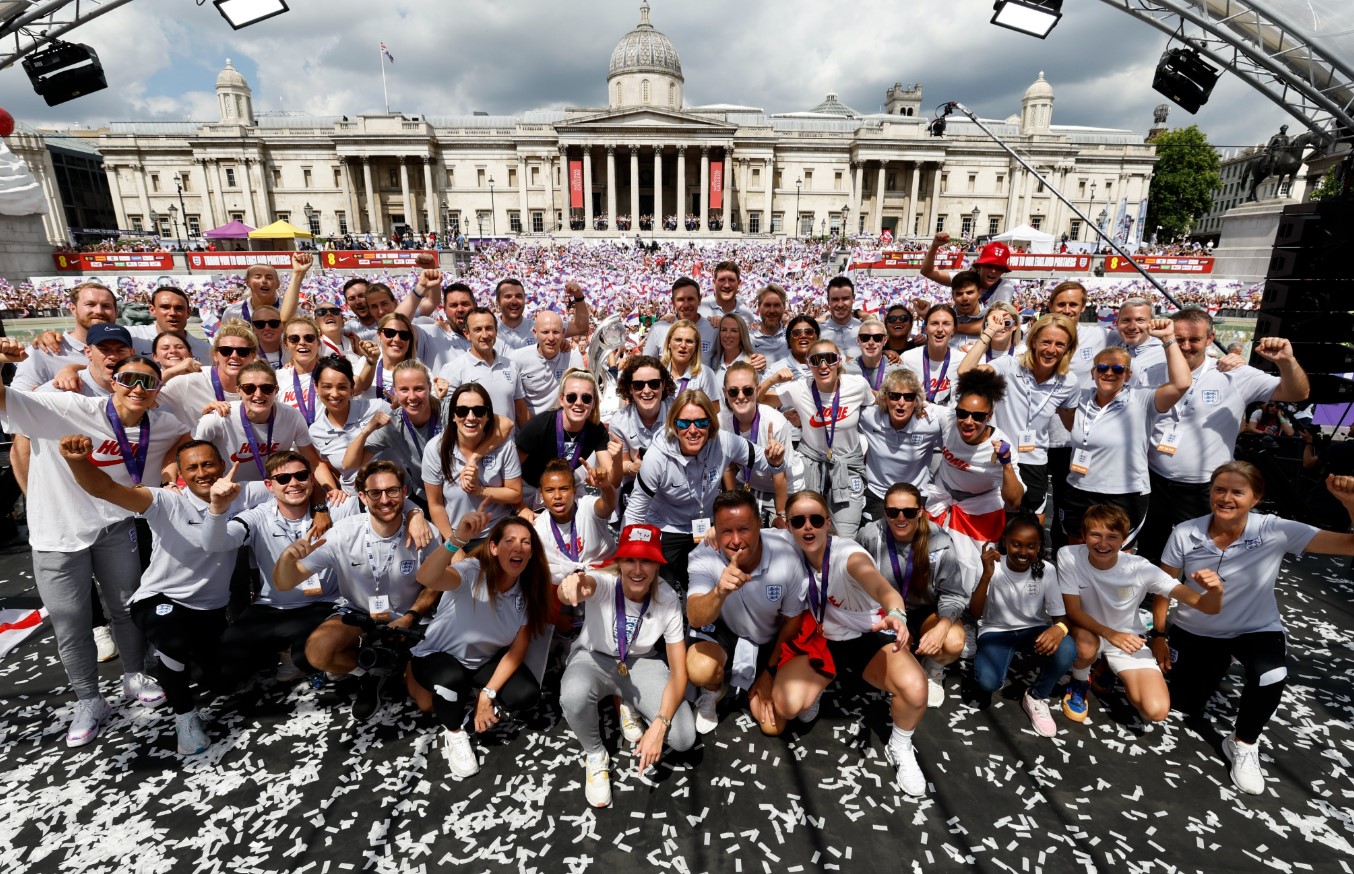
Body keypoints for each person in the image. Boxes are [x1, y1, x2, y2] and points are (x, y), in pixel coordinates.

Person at [0, 342, 190, 746]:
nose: (138, 389)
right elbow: (7, 405)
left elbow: (182, 441)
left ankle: (134, 674)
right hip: (57, 533)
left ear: (158, 389)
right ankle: (89, 698)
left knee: (126, 607)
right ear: (112, 382)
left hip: (115, 527)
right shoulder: (67, 407)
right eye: (128, 380)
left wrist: (172, 461)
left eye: (148, 382)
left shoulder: (163, 425)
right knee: (70, 620)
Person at [1154, 463, 1354, 794]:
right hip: (1198, 631)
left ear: (1256, 497)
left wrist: (1350, 501)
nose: (1226, 498)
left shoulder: (1276, 529)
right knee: (1185, 704)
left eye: (1237, 491)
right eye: (1219, 489)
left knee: (1271, 674)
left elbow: (1349, 545)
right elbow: (1164, 586)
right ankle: (1218, 661)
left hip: (1255, 628)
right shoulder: (1185, 532)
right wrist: (1159, 636)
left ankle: (1244, 744)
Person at [57, 436, 258, 754]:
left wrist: (320, 506)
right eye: (192, 467)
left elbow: (289, 484)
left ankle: (175, 659)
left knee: (226, 681)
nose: (202, 472)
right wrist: (78, 461)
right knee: (174, 639)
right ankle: (185, 718)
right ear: (181, 474)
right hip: (161, 598)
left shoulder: (245, 492)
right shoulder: (166, 500)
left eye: (208, 464)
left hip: (210, 610)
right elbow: (107, 489)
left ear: (222, 465)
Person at [782, 490, 927, 796]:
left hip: (864, 635)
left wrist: (896, 612)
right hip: (820, 639)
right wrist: (713, 533)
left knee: (915, 689)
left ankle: (900, 745)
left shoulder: (848, 555)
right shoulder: (786, 547)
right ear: (788, 525)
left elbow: (879, 584)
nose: (807, 527)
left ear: (828, 523)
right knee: (790, 705)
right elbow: (750, 534)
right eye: (798, 521)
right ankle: (821, 683)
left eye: (816, 519)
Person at [1136, 311, 1308, 564]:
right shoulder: (1150, 372)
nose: (1185, 346)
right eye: (1179, 338)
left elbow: (1297, 393)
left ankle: (1195, 600)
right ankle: (1152, 599)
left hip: (1203, 487)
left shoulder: (1234, 374)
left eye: (1194, 339)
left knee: (1201, 554)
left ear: (1210, 338)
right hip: (1154, 479)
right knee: (1151, 546)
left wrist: (1286, 362)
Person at [274, 461, 442, 721]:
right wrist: (286, 559)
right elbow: (285, 582)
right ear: (362, 496)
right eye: (375, 493)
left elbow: (435, 584)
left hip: (410, 618)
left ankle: (398, 666)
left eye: (392, 491)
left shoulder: (424, 532)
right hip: (359, 612)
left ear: (405, 492)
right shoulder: (342, 533)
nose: (384, 499)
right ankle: (372, 672)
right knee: (317, 651)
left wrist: (411, 615)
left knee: (428, 704)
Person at [556, 523, 695, 807]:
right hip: (594, 658)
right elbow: (584, 586)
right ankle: (595, 754)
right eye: (630, 559)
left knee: (682, 737)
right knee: (572, 695)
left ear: (658, 564)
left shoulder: (668, 599)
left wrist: (659, 724)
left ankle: (625, 698)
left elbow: (679, 672)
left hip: (640, 662)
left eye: (646, 560)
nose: (637, 569)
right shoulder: (604, 582)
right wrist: (570, 587)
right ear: (618, 561)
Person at [409, 510, 551, 779]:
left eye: (525, 542)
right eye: (509, 540)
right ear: (494, 548)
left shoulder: (529, 591)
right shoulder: (472, 573)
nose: (518, 547)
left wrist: (489, 694)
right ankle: (454, 732)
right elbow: (426, 578)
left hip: (481, 661)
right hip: (437, 656)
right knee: (449, 680)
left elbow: (516, 651)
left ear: (532, 553)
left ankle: (474, 694)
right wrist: (456, 540)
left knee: (526, 695)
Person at [1058, 503, 1224, 726]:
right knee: (1087, 646)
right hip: (1089, 633)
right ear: (1084, 535)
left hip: (1126, 639)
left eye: (1112, 537)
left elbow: (1208, 607)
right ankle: (1079, 683)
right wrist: (1110, 634)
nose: (1103, 543)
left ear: (1125, 539)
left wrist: (1215, 592)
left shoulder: (1140, 568)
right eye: (1095, 535)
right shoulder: (1068, 555)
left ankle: (1105, 665)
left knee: (1155, 711)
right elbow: (1073, 611)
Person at [685, 491, 830, 735]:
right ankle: (713, 689)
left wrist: (769, 671)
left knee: (773, 727)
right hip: (728, 631)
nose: (735, 540)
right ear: (715, 532)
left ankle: (788, 681)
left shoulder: (786, 557)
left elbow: (792, 621)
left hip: (771, 637)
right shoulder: (703, 556)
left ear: (759, 525)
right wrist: (720, 591)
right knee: (700, 668)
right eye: (726, 531)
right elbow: (695, 616)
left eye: (744, 529)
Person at [623, 389, 784, 595]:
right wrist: (629, 558)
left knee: (710, 588)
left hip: (706, 528)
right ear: (674, 425)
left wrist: (776, 459)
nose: (693, 430)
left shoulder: (724, 442)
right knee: (665, 594)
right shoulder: (656, 458)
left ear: (711, 424)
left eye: (700, 422)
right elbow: (635, 512)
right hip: (666, 527)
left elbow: (769, 464)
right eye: (684, 423)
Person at [1054, 319, 1191, 548]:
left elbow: (1181, 384)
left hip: (1123, 493)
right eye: (1103, 368)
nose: (1109, 373)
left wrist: (1168, 339)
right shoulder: (1082, 398)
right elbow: (1071, 425)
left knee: (1116, 557)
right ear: (1093, 372)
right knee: (1076, 551)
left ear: (1128, 375)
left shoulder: (1142, 398)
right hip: (1079, 489)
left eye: (1118, 369)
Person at [857, 483, 966, 708]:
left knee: (954, 642)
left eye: (908, 512)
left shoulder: (940, 541)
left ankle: (934, 668)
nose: (900, 518)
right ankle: (902, 664)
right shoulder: (869, 535)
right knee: (898, 665)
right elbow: (855, 583)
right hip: (886, 614)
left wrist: (943, 626)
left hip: (926, 612)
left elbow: (953, 594)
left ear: (920, 512)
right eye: (892, 512)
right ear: (884, 512)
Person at [960, 312, 1080, 516]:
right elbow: (965, 372)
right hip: (997, 457)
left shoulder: (1069, 382)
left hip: (1034, 461)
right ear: (1033, 342)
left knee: (1032, 524)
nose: (1051, 350)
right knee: (994, 523)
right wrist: (988, 332)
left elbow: (1071, 425)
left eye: (1060, 344)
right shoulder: (1008, 366)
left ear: (1068, 348)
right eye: (1046, 342)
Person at [969, 515, 1076, 737]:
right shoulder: (992, 566)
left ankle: (1036, 696)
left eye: (1031, 546)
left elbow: (1060, 618)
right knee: (988, 683)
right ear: (1005, 542)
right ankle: (998, 662)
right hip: (995, 632)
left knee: (1067, 648)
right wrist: (986, 576)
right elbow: (974, 613)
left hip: (1032, 630)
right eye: (1017, 544)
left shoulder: (1046, 570)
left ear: (1039, 547)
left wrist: (1059, 629)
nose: (1023, 552)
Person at [924, 369, 1024, 591]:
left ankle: (970, 613)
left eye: (978, 416)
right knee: (928, 556)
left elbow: (1015, 502)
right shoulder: (949, 418)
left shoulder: (1001, 446)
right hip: (942, 499)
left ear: (989, 416)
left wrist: (1006, 464)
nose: (968, 422)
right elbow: (914, 400)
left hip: (979, 510)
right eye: (963, 413)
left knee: (973, 569)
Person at [763, 339, 871, 538]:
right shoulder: (799, 388)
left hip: (847, 467)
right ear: (808, 364)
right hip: (811, 465)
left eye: (829, 359)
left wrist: (918, 403)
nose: (823, 365)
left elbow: (876, 401)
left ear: (839, 361)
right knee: (808, 532)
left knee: (846, 536)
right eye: (816, 360)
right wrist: (772, 380)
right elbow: (757, 399)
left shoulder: (857, 385)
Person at [193, 360, 337, 490]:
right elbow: (191, 460)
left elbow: (314, 463)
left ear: (276, 390)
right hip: (229, 492)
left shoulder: (292, 417)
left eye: (266, 388)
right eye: (249, 388)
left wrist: (333, 491)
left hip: (275, 493)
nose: (258, 394)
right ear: (238, 390)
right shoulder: (218, 418)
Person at [423, 383, 522, 544]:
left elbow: (515, 493)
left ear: (488, 415)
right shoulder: (435, 449)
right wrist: (453, 545)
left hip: (499, 534)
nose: (470, 417)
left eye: (479, 411)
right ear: (453, 416)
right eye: (462, 411)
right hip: (457, 535)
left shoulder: (504, 445)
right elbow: (435, 505)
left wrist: (479, 490)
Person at [343, 359, 444, 509]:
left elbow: (492, 427)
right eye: (404, 390)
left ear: (429, 387)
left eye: (418, 389)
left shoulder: (450, 411)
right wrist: (367, 430)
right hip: (426, 497)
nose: (412, 396)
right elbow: (349, 463)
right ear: (395, 391)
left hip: (461, 492)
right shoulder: (392, 424)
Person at [514, 369, 613, 504]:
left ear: (593, 403)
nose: (578, 402)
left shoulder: (597, 430)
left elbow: (613, 478)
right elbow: (511, 472)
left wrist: (616, 460)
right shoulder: (539, 426)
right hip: (530, 491)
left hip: (565, 488)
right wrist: (520, 507)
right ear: (561, 399)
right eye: (571, 397)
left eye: (586, 398)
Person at [859, 368, 943, 523]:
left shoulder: (930, 424)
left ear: (917, 401)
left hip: (915, 495)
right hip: (877, 494)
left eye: (909, 397)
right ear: (884, 398)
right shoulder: (869, 416)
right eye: (894, 396)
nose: (901, 403)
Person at [720, 362, 799, 525]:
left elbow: (780, 474)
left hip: (785, 489)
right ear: (725, 393)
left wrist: (781, 515)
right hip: (749, 486)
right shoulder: (722, 421)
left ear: (757, 390)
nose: (741, 396)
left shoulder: (775, 422)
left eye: (747, 390)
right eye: (733, 391)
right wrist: (734, 505)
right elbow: (728, 467)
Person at [13, 281, 118, 391]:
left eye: (106, 306)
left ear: (116, 311)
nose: (98, 311)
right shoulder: (42, 351)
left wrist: (72, 368)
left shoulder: (130, 343)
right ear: (73, 309)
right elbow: (17, 400)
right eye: (90, 304)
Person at [156, 321, 259, 430]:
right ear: (215, 355)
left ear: (253, 355)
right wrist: (169, 373)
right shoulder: (190, 380)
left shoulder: (263, 385)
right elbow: (145, 401)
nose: (234, 356)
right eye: (226, 350)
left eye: (242, 351)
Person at [439, 307, 530, 427]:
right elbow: (448, 418)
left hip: (507, 444)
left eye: (489, 328)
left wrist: (531, 443)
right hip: (472, 444)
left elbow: (521, 412)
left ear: (496, 331)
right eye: (477, 329)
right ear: (467, 334)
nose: (485, 335)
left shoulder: (511, 365)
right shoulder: (453, 369)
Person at [307, 355, 379, 492]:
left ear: (352, 387)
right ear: (316, 387)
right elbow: (327, 465)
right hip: (352, 498)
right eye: (327, 386)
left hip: (390, 495)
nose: (334, 394)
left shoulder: (377, 408)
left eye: (342, 387)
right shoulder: (315, 432)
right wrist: (335, 490)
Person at [920, 234, 1015, 338]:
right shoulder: (965, 279)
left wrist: (952, 327)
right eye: (989, 265)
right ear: (979, 266)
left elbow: (995, 324)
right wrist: (934, 246)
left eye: (999, 267)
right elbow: (927, 272)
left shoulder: (1005, 288)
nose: (993, 271)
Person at [511, 310, 584, 417]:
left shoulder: (572, 357)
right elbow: (514, 401)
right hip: (528, 427)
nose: (551, 338)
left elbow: (579, 394)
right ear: (535, 333)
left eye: (556, 332)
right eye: (545, 332)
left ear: (563, 333)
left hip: (559, 426)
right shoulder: (517, 358)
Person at [642, 277, 716, 359]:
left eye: (690, 299)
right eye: (681, 300)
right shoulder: (658, 329)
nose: (686, 305)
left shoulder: (713, 330)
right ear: (673, 302)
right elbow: (646, 365)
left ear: (699, 299)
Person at [901, 305, 958, 406]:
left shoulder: (963, 360)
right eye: (934, 323)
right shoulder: (907, 359)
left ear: (953, 330)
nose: (940, 329)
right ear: (926, 328)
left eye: (946, 324)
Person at [356, 313, 419, 402]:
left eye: (404, 335)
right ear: (378, 335)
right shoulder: (365, 361)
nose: (397, 339)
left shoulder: (418, 368)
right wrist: (371, 362)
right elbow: (356, 390)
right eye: (390, 333)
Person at [276, 316, 325, 426]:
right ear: (286, 345)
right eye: (294, 339)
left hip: (327, 440)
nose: (302, 342)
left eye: (309, 338)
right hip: (291, 442)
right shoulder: (277, 377)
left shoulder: (331, 373)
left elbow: (359, 385)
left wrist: (370, 362)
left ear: (318, 343)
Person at [661, 319, 719, 401]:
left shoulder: (705, 374)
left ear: (696, 346)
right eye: (678, 340)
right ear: (669, 343)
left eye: (689, 341)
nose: (683, 345)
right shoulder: (658, 372)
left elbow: (715, 408)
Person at [818, 276, 862, 360]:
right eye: (835, 299)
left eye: (845, 299)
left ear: (853, 299)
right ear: (828, 301)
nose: (840, 305)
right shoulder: (817, 332)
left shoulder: (865, 329)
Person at [709, 313, 761, 385]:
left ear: (742, 334)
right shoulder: (712, 362)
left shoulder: (753, 363)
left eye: (734, 330)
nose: (728, 335)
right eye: (724, 330)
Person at [852, 316, 898, 392]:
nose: (871, 342)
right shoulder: (846, 371)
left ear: (885, 340)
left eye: (877, 338)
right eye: (865, 338)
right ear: (858, 340)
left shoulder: (898, 371)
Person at [750, 284, 789, 362]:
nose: (772, 311)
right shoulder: (747, 340)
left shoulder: (792, 339)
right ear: (759, 306)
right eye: (767, 305)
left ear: (784, 307)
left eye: (777, 305)